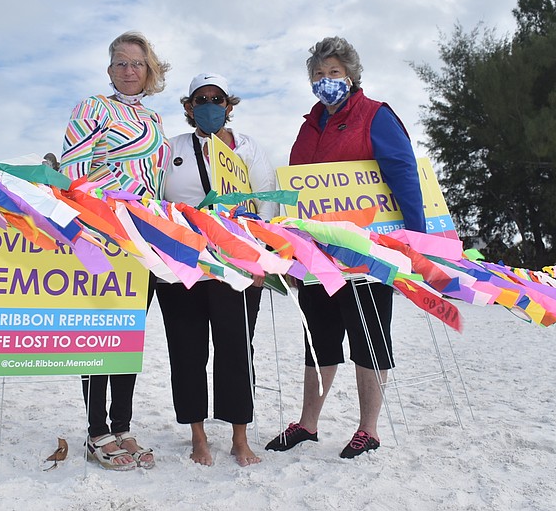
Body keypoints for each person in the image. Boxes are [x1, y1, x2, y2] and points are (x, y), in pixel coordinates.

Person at [265, 36, 426, 459]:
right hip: (319, 256)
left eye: (333, 72)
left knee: (368, 337)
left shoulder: (376, 116)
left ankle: (367, 429)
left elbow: (404, 177)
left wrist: (415, 241)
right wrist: (292, 250)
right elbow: (295, 193)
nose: (325, 80)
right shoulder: (308, 125)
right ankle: (308, 424)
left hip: (367, 253)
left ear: (351, 75)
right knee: (318, 340)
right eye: (318, 74)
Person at [59, 30, 171, 471]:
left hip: (142, 241)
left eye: (137, 63)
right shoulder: (92, 108)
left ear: (150, 71)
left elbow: (158, 184)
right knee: (97, 330)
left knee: (127, 334)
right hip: (100, 237)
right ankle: (95, 431)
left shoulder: (157, 120)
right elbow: (74, 172)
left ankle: (122, 426)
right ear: (109, 70)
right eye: (121, 63)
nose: (129, 70)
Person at [155, 73, 278, 467]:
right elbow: (155, 201)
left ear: (229, 104)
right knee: (187, 350)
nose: (210, 104)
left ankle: (240, 438)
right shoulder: (169, 148)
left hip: (236, 264)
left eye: (217, 98)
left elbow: (267, 205)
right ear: (189, 107)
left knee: (237, 350)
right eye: (201, 99)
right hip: (182, 266)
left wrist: (260, 255)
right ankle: (198, 437)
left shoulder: (249, 149)